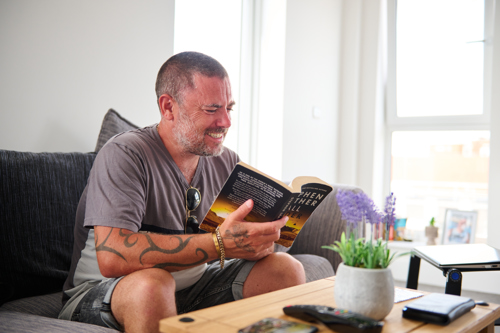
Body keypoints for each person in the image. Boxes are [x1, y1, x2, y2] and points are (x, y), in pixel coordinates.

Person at [59, 51, 306, 333]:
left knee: (285, 269)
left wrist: (257, 241)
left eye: (229, 108)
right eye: (212, 109)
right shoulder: (125, 153)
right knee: (153, 285)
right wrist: (219, 244)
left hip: (194, 287)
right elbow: (112, 257)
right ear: (168, 108)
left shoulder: (226, 161)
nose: (225, 121)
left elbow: (238, 247)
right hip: (106, 292)